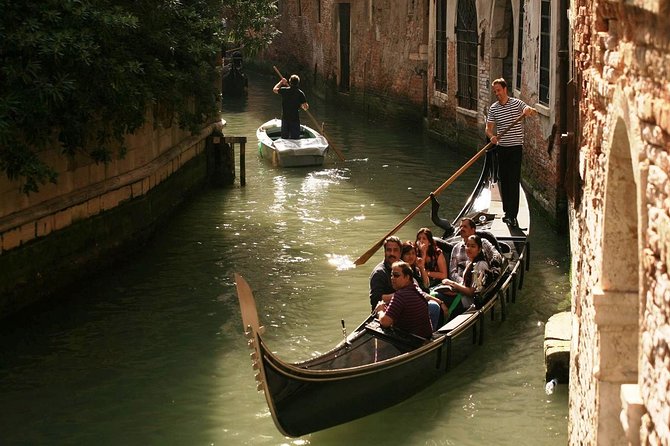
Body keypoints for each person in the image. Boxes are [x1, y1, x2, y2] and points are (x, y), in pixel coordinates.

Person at [485, 78, 537, 228]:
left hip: (515, 148)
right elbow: (488, 129)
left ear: (505, 89)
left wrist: (528, 110)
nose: (497, 94)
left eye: (499, 90)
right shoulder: (494, 108)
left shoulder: (517, 103)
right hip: (502, 148)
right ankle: (507, 212)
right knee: (504, 180)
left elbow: (530, 110)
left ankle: (512, 216)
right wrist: (492, 137)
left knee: (513, 181)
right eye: (495, 91)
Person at [374, 261, 445, 338]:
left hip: (413, 343)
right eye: (391, 275)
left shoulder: (400, 295)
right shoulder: (415, 288)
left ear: (407, 277)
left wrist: (380, 311)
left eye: (396, 275)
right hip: (425, 337)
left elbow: (385, 322)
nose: (392, 278)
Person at [439, 235, 494, 320]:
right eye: (467, 245)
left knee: (438, 297)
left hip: (467, 302)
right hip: (461, 295)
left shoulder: (480, 266)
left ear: (479, 249)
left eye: (473, 246)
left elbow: (472, 292)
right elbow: (465, 284)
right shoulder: (470, 262)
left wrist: (452, 283)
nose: (469, 248)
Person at [449, 218, 502, 283]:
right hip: (462, 284)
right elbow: (452, 272)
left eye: (465, 227)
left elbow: (496, 255)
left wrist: (494, 269)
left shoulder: (483, 243)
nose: (461, 229)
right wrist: (463, 282)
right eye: (460, 227)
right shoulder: (456, 248)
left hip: (482, 281)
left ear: (473, 230)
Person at [369, 236, 402, 310]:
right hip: (385, 312)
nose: (392, 253)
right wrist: (401, 295)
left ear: (400, 253)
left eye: (395, 250)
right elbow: (375, 299)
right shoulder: (379, 273)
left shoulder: (403, 266)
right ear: (385, 252)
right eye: (389, 250)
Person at [273, 74, 309, 139]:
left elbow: (274, 89)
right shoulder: (300, 93)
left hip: (285, 117)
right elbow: (306, 107)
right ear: (298, 83)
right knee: (295, 138)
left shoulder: (285, 90)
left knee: (284, 137)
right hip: (295, 118)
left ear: (290, 82)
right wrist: (302, 106)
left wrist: (281, 82)